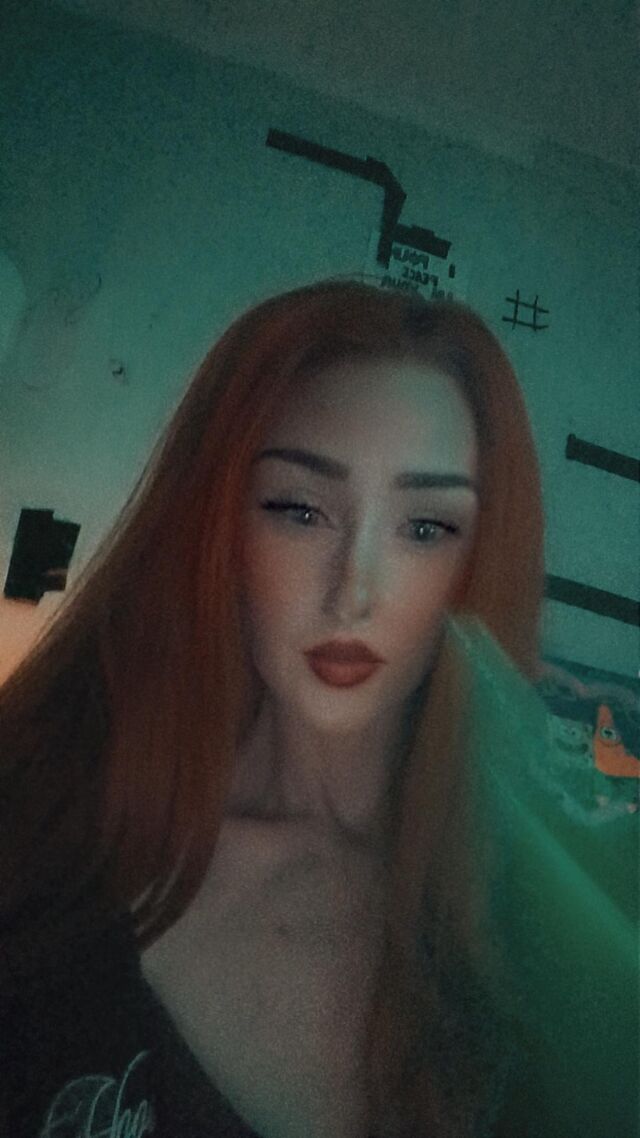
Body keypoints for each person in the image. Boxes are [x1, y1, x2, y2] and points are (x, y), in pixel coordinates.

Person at [0, 276, 550, 1137]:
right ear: (219, 522)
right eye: (301, 510)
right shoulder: (43, 799)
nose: (354, 592)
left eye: (426, 528)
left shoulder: (529, 953)